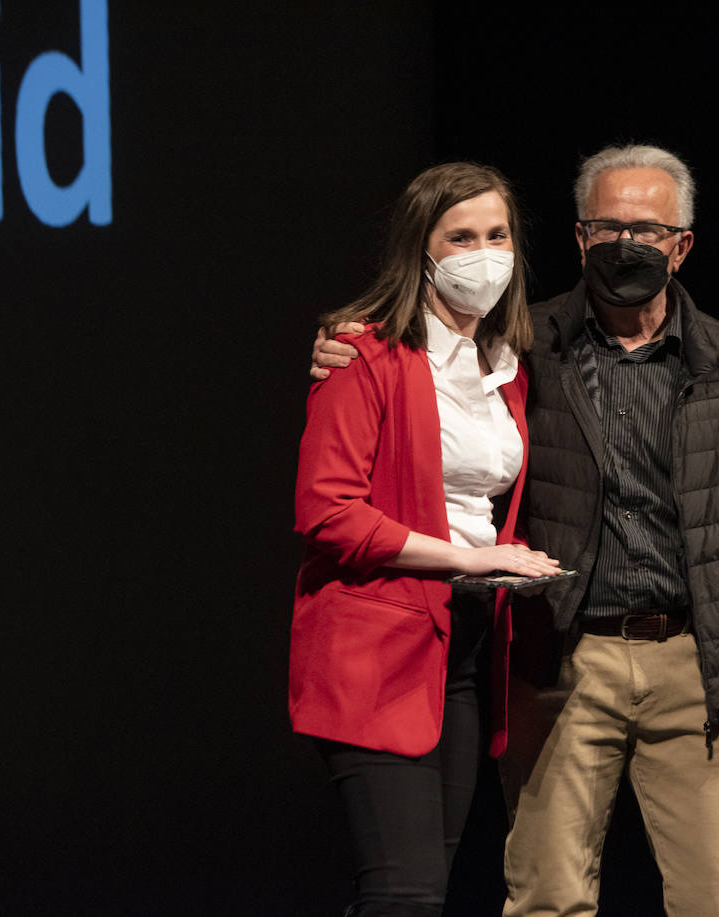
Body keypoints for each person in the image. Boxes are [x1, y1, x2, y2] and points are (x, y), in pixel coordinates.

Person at [312, 145, 719, 917]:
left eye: (649, 230)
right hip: (560, 659)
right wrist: (338, 346)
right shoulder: (522, 345)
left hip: (696, 665)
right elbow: (422, 364)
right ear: (581, 239)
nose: (628, 245)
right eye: (608, 227)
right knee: (547, 897)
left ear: (681, 245)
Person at [291, 161, 560, 917]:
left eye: (498, 234)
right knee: (402, 894)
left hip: (463, 645)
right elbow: (328, 512)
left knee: (423, 890)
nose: (485, 253)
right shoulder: (364, 355)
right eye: (462, 237)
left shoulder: (505, 367)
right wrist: (471, 559)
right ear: (423, 251)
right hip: (378, 644)